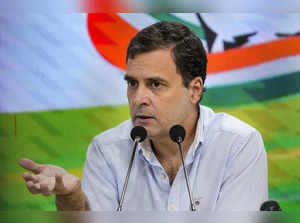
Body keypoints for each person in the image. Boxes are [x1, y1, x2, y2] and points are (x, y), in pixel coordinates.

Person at [19, 21, 268, 211]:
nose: (138, 98)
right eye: (132, 84)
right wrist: (71, 198)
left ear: (194, 90)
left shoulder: (238, 144)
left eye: (155, 84)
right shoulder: (107, 150)